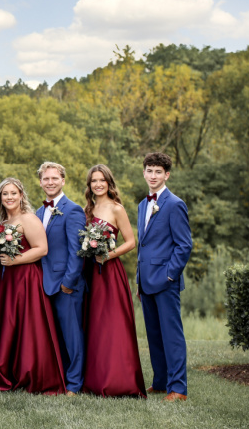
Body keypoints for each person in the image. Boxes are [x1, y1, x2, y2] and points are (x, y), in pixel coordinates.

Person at [0, 178, 65, 395]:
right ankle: (8, 373)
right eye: (5, 194)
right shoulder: (2, 223)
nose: (9, 197)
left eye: (13, 193)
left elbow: (42, 249)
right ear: (0, 198)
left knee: (27, 325)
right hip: (6, 279)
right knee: (9, 323)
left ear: (21, 195)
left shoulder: (29, 219)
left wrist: (16, 260)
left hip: (26, 279)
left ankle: (33, 373)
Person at [81, 164, 146, 398]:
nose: (97, 184)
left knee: (112, 325)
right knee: (94, 325)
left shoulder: (117, 208)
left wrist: (108, 255)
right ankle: (94, 378)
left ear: (109, 183)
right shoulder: (87, 209)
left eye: (101, 180)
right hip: (89, 272)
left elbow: (130, 242)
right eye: (93, 181)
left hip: (109, 273)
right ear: (89, 185)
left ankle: (119, 380)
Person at [136, 152, 193, 402]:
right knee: (154, 335)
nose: (153, 175)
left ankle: (178, 388)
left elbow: (184, 245)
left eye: (158, 171)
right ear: (145, 173)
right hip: (145, 281)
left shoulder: (175, 204)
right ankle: (160, 382)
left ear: (167, 174)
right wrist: (139, 278)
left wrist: (170, 276)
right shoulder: (142, 204)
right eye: (149, 170)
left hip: (165, 282)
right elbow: (144, 245)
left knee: (172, 336)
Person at [35, 162, 86, 396]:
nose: (50, 182)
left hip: (66, 285)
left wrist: (68, 283)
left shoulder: (73, 210)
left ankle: (74, 385)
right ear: (40, 182)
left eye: (54, 178)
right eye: (46, 179)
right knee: (53, 335)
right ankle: (59, 379)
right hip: (44, 284)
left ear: (63, 180)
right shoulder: (37, 212)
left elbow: (77, 251)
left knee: (72, 336)